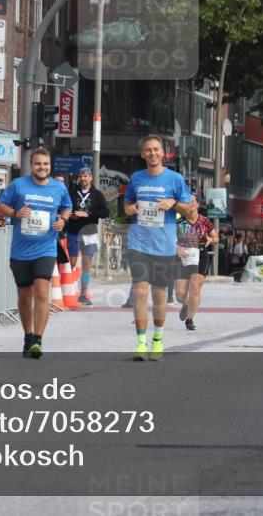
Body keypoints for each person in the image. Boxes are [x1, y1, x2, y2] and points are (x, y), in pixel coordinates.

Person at [0, 148, 72, 359]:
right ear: (32, 165)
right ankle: (28, 335)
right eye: (38, 164)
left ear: (50, 165)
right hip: (21, 250)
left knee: (41, 292)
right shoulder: (19, 185)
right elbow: (0, 204)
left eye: (46, 164)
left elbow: (67, 207)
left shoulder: (58, 188)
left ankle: (38, 339)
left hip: (46, 248)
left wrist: (63, 220)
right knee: (24, 295)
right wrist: (14, 213)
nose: (42, 168)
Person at [124, 134, 193, 361]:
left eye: (156, 150)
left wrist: (173, 202)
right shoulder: (136, 178)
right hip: (138, 243)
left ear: (163, 153)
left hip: (163, 245)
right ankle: (141, 343)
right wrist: (130, 208)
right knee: (140, 292)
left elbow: (189, 211)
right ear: (143, 154)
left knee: (159, 294)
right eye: (148, 150)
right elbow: (126, 204)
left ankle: (158, 340)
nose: (152, 154)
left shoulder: (174, 179)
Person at [65, 166, 109, 306]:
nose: (83, 178)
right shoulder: (72, 193)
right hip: (73, 231)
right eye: (81, 176)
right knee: (71, 262)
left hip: (89, 231)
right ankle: (67, 290)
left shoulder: (97, 195)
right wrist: (72, 216)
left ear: (91, 177)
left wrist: (88, 214)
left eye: (86, 176)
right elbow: (65, 208)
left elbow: (105, 212)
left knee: (86, 264)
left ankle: (83, 293)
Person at [175, 194, 217, 331]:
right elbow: (169, 239)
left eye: (193, 201)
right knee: (180, 294)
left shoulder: (205, 221)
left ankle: (190, 319)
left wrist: (210, 240)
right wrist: (177, 247)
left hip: (200, 254)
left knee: (195, 287)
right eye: (187, 202)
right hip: (183, 256)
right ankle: (186, 304)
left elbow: (216, 237)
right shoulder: (179, 222)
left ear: (198, 205)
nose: (190, 204)